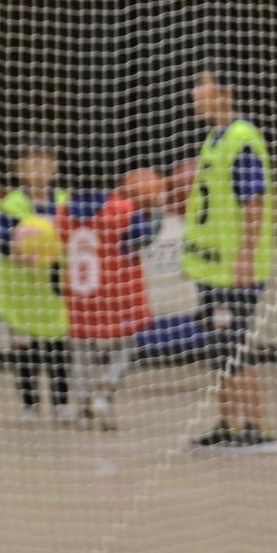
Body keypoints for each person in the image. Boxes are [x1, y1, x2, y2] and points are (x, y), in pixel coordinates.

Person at [182, 64, 277, 452]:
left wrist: (245, 258)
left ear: (225, 91)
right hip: (212, 267)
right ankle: (228, 424)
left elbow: (253, 202)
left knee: (237, 347)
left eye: (200, 86)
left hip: (235, 269)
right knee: (220, 349)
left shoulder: (241, 139)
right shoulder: (214, 138)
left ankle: (256, 428)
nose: (194, 94)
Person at [58, 170, 161, 429]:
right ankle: (105, 392)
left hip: (80, 295)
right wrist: (153, 211)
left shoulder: (62, 212)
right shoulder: (122, 209)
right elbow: (143, 240)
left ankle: (82, 407)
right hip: (118, 293)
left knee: (80, 351)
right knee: (125, 345)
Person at [0, 141, 71, 424]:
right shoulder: (11, 204)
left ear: (55, 169)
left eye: (45, 163)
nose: (39, 170)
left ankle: (61, 403)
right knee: (24, 353)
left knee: (58, 351)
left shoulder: (65, 202)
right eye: (32, 164)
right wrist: (15, 251)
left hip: (55, 289)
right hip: (21, 290)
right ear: (20, 170)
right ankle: (29, 403)